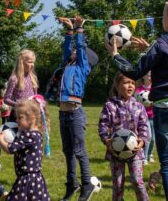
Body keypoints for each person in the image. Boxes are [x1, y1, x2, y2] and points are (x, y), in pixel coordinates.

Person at [106, 0, 168, 201]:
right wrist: (150, 50)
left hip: (166, 107)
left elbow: (134, 70)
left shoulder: (162, 43)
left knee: (167, 164)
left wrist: (115, 56)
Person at [57, 16, 99, 201]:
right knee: (67, 151)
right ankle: (71, 183)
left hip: (75, 113)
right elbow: (67, 49)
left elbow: (80, 49)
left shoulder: (83, 67)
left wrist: (79, 29)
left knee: (79, 151)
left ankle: (87, 184)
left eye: (77, 49)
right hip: (63, 113)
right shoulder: (68, 64)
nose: (73, 50)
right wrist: (69, 31)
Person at [98, 72, 149, 201]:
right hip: (116, 152)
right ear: (117, 85)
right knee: (118, 184)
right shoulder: (109, 106)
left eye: (133, 83)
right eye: (126, 82)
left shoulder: (139, 106)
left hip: (135, 152)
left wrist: (142, 140)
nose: (130, 86)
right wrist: (106, 140)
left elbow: (144, 126)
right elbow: (103, 125)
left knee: (138, 182)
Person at [0, 97, 50, 201]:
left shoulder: (29, 136)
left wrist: (1, 140)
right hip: (34, 178)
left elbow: (10, 149)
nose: (16, 120)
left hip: (28, 179)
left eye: (20, 118)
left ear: (32, 118)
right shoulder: (36, 134)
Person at [4, 49, 38, 122]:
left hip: (31, 114)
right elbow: (6, 99)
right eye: (30, 62)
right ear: (22, 62)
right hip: (17, 116)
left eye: (33, 62)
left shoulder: (33, 78)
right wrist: (20, 105)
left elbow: (35, 96)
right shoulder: (14, 78)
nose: (33, 65)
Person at [135, 72, 155, 165]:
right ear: (143, 76)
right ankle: (144, 157)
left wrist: (152, 103)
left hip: (154, 116)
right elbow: (136, 103)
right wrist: (143, 104)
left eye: (151, 74)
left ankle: (150, 154)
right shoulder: (139, 90)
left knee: (154, 139)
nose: (150, 76)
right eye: (148, 74)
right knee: (148, 137)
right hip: (144, 117)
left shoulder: (155, 89)